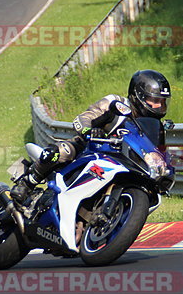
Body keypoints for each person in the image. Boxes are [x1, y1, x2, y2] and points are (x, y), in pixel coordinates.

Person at [11, 69, 172, 204]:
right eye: (155, 101)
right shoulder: (115, 103)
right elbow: (83, 118)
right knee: (60, 152)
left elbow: (155, 152)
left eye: (163, 102)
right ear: (139, 96)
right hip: (89, 147)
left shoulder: (153, 126)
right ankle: (27, 183)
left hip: (122, 161)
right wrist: (90, 131)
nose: (159, 106)